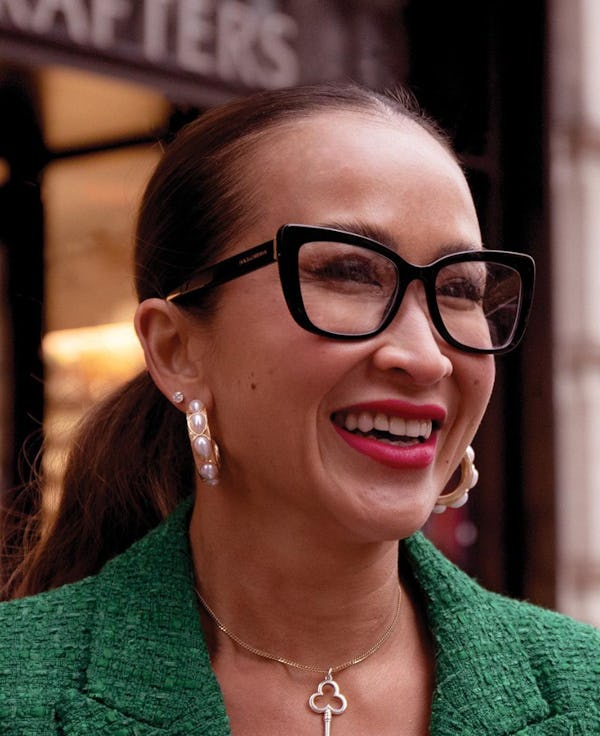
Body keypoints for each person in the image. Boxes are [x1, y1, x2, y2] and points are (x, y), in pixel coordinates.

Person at [0, 82, 598, 736]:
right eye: (349, 272)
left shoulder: (583, 689)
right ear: (176, 350)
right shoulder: (21, 688)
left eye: (458, 288)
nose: (426, 358)